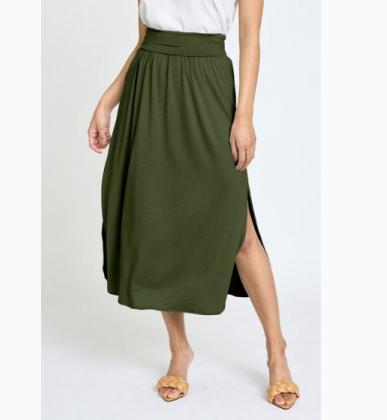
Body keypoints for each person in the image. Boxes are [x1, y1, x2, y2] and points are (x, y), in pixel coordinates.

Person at [88, 0, 299, 409]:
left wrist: (244, 115)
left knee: (238, 230)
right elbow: (145, 41)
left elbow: (251, 38)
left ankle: (277, 352)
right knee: (160, 223)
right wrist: (107, 101)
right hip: (150, 91)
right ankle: (179, 349)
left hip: (207, 86)